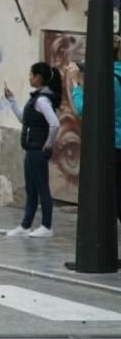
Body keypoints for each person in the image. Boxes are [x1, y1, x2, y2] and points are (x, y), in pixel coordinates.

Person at [4, 62, 62, 238]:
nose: (29, 77)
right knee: (31, 189)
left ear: (38, 77)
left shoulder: (43, 100)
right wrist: (12, 101)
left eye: (31, 74)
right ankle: (25, 225)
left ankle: (46, 226)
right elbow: (24, 119)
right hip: (30, 149)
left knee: (42, 188)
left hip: (38, 150)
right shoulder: (36, 99)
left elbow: (54, 124)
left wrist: (48, 144)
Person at [66, 43, 121, 224]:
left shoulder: (108, 80)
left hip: (114, 145)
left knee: (111, 200)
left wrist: (75, 84)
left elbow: (86, 111)